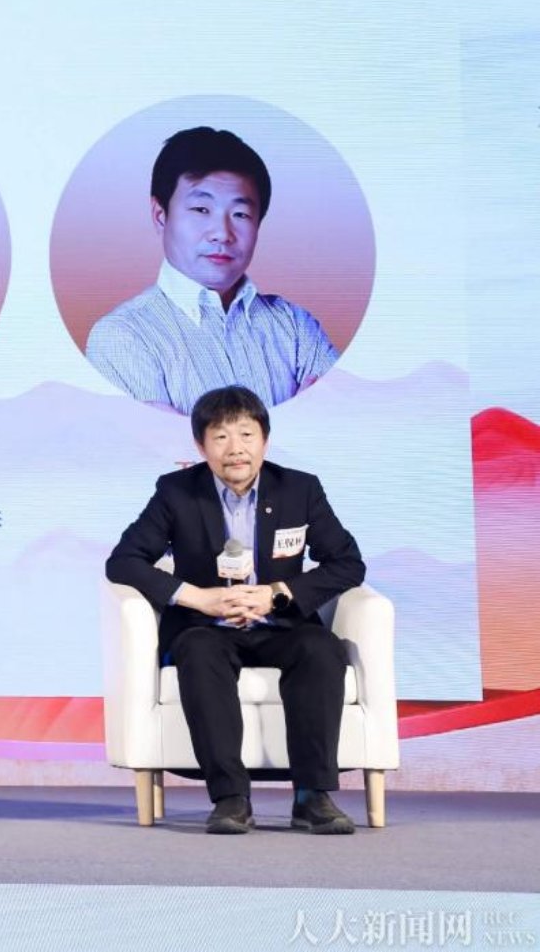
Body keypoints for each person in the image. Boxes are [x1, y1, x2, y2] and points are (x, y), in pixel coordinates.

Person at [105, 385, 366, 835]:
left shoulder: (300, 489)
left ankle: (312, 796)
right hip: (207, 626)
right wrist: (198, 596)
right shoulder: (176, 492)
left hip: (280, 623)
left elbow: (348, 563)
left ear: (265, 439)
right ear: (200, 446)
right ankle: (230, 797)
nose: (235, 449)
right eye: (220, 437)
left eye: (246, 435)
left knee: (322, 650)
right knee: (198, 652)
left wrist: (277, 594)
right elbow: (124, 562)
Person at [85, 126, 338, 413]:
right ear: (160, 215)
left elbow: (345, 421)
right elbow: (162, 445)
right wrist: (299, 421)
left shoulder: (296, 326)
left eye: (240, 214)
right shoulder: (121, 337)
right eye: (201, 210)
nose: (222, 233)